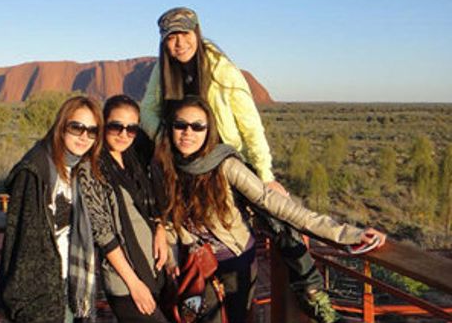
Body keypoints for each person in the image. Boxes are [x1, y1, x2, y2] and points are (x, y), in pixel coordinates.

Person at [140, 6, 343, 322]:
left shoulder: (221, 68)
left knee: (277, 217)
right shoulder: (163, 70)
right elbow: (148, 111)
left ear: (197, 32)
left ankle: (312, 293)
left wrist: (265, 174)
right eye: (171, 37)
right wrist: (165, 139)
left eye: (184, 34)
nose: (179, 43)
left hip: (228, 158)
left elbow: (249, 123)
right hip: (187, 159)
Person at [156, 96, 386, 323]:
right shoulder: (164, 167)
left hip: (234, 260)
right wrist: (172, 259)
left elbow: (279, 206)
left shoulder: (226, 165)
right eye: (180, 125)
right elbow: (167, 219)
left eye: (197, 126)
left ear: (209, 131)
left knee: (238, 318)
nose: (188, 133)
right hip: (196, 263)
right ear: (171, 128)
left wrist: (346, 234)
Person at [0, 95, 103, 323]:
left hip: (70, 282)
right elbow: (25, 245)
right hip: (42, 293)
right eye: (77, 127)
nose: (84, 136)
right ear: (61, 126)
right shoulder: (35, 172)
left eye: (92, 131)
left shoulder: (79, 168)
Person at [80, 95, 170, 322]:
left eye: (131, 129)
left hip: (152, 271)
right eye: (116, 126)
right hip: (125, 283)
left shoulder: (135, 159)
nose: (123, 134)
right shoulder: (90, 168)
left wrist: (160, 227)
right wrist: (134, 284)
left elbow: (153, 204)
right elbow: (103, 234)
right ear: (103, 125)